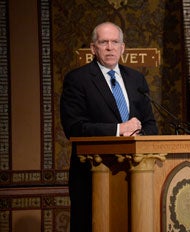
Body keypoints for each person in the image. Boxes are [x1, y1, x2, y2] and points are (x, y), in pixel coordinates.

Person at [60, 22, 158, 232]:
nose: (110, 47)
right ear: (93, 48)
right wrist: (118, 129)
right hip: (94, 174)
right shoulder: (78, 79)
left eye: (115, 42)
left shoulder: (136, 79)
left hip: (137, 174)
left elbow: (151, 124)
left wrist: (139, 134)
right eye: (104, 42)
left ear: (123, 48)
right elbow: (74, 127)